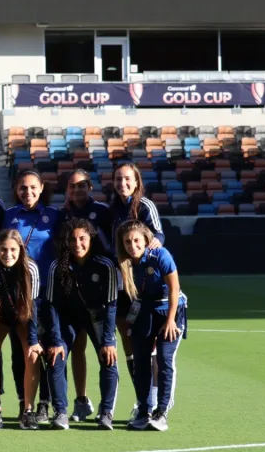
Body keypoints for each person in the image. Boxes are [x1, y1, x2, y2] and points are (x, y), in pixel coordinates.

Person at [46, 218, 120, 430]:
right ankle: (60, 412)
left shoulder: (105, 266)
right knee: (55, 358)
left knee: (109, 358)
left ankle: (106, 412)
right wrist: (56, 339)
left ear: (91, 239)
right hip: (68, 318)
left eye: (82, 238)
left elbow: (111, 304)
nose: (77, 243)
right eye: (72, 239)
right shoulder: (56, 267)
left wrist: (108, 340)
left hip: (97, 317)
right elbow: (52, 305)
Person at [117, 221, 187, 432]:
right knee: (140, 360)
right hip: (145, 310)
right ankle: (144, 409)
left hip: (169, 310)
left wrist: (170, 320)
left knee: (165, 359)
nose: (132, 245)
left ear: (146, 239)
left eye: (136, 240)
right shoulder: (124, 262)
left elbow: (175, 289)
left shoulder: (160, 255)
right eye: (127, 242)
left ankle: (162, 411)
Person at [4, 169, 60, 424]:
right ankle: (22, 401)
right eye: (22, 188)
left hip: (46, 294)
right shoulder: (8, 217)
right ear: (16, 190)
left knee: (46, 350)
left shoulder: (54, 216)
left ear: (41, 188)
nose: (27, 192)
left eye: (32, 187)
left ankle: (45, 404)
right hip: (16, 295)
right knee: (21, 352)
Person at [110, 162, 164, 420]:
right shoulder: (111, 209)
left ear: (136, 180)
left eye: (127, 179)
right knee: (129, 343)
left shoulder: (145, 206)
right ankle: (141, 399)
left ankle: (151, 402)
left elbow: (158, 237)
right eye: (118, 179)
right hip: (121, 284)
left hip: (143, 285)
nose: (122, 183)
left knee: (148, 344)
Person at [0, 229, 42, 431]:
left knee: (32, 355)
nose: (8, 254)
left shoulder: (30, 268)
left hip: (23, 317)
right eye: (3, 249)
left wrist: (33, 341)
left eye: (13, 249)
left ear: (20, 249)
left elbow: (33, 307)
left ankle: (28, 411)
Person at [61, 168, 112, 422]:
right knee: (76, 347)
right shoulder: (63, 214)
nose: (77, 190)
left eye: (81, 185)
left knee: (106, 348)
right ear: (67, 190)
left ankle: (108, 407)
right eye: (72, 186)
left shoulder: (102, 211)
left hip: (99, 289)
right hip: (73, 290)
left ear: (90, 188)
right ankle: (81, 400)